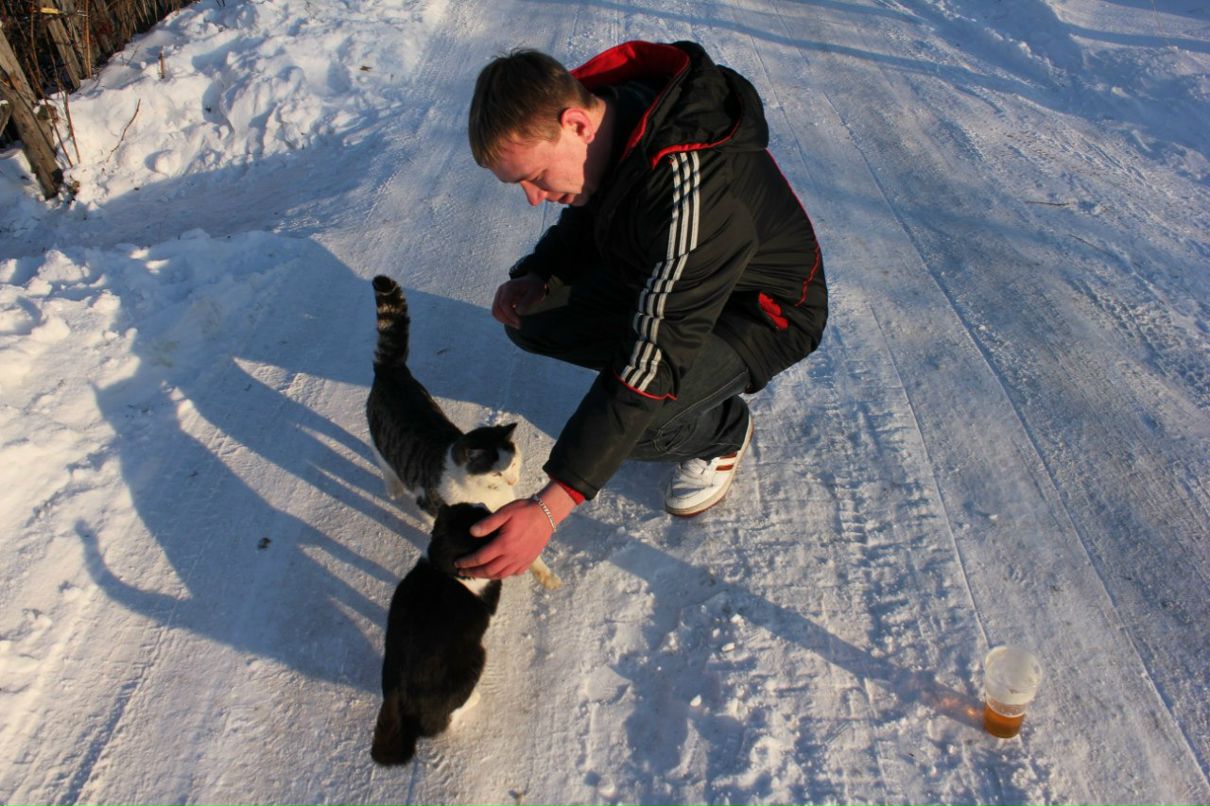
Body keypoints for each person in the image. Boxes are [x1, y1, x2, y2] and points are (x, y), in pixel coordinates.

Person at [456, 41, 827, 581]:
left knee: (646, 426)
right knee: (535, 316)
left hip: (761, 313)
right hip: (673, 281)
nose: (533, 198)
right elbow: (589, 218)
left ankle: (724, 430)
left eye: (534, 177)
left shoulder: (689, 185)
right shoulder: (618, 125)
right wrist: (540, 272)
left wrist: (548, 507)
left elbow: (655, 353)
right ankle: (670, 387)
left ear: (576, 124)